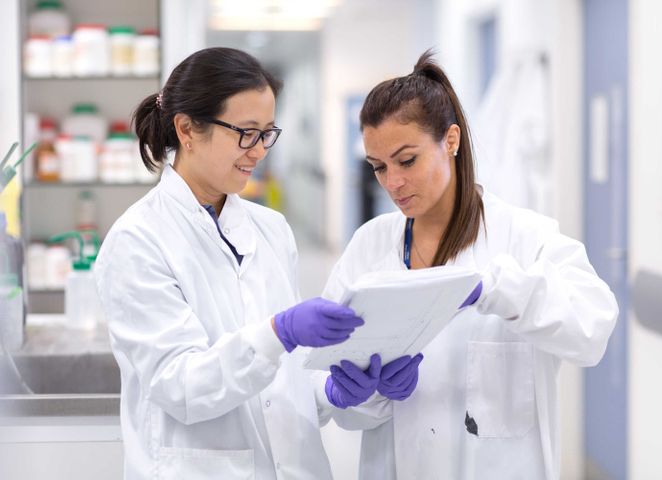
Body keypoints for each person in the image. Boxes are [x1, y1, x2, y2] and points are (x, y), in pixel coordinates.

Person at [320, 50, 619, 479]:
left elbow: (593, 330)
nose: (393, 183)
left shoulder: (524, 237)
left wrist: (498, 288)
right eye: (378, 168)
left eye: (407, 161)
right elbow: (336, 386)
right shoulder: (370, 246)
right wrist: (361, 395)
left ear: (451, 140)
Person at [94, 47, 365, 480]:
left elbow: (283, 383)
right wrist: (279, 332)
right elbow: (181, 387)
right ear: (187, 129)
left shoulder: (272, 230)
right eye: (245, 133)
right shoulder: (138, 241)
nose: (259, 152)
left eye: (267, 133)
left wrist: (332, 391)